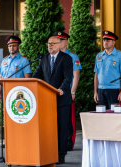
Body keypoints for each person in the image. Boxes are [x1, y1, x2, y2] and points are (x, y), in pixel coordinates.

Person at [32, 36, 73, 164]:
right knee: (49, 128)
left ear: (59, 45)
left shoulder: (66, 58)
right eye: (48, 43)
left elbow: (68, 77)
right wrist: (31, 84)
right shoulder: (44, 58)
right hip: (47, 100)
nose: (50, 46)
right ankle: (50, 152)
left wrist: (61, 88)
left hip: (62, 99)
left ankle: (61, 155)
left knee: (62, 128)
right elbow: (37, 75)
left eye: (53, 44)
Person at [54, 31, 82, 151]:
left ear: (67, 42)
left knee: (69, 119)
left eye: (62, 40)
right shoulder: (54, 55)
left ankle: (69, 142)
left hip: (67, 92)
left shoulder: (72, 56)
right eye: (58, 40)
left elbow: (76, 75)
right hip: (55, 92)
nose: (60, 42)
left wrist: (73, 91)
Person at [94, 31, 121, 109]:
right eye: (104, 40)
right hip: (101, 90)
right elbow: (96, 75)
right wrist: (95, 92)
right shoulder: (99, 56)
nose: (105, 42)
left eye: (108, 40)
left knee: (114, 115)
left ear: (113, 42)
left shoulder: (120, 55)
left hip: (114, 90)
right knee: (102, 115)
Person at [0, 35, 31, 103]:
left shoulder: (24, 60)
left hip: (18, 92)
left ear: (18, 47)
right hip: (5, 91)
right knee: (5, 112)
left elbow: (27, 80)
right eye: (9, 46)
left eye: (14, 46)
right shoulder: (4, 60)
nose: (11, 48)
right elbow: (0, 78)